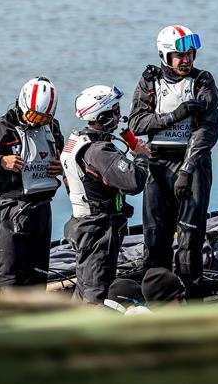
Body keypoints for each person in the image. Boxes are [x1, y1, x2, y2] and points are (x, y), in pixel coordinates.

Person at [128, 25, 218, 298]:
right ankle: (157, 296)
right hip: (158, 165)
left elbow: (207, 130)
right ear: (165, 56)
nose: (187, 60)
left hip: (193, 165)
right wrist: (174, 115)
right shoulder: (150, 82)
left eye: (190, 54)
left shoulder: (203, 81)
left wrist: (187, 169)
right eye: (180, 56)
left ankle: (190, 295)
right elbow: (136, 122)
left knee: (190, 236)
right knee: (155, 235)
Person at [0, 77, 64, 287]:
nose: (36, 122)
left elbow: (64, 156)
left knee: (38, 276)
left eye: (43, 119)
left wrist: (62, 167)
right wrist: (0, 161)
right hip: (10, 211)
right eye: (33, 116)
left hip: (42, 210)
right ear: (22, 104)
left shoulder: (51, 127)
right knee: (9, 277)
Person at [60, 85, 151, 304]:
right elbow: (133, 182)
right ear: (103, 115)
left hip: (82, 223)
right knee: (95, 291)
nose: (119, 116)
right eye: (115, 111)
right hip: (97, 230)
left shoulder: (76, 141)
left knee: (83, 288)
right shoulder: (99, 151)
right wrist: (141, 156)